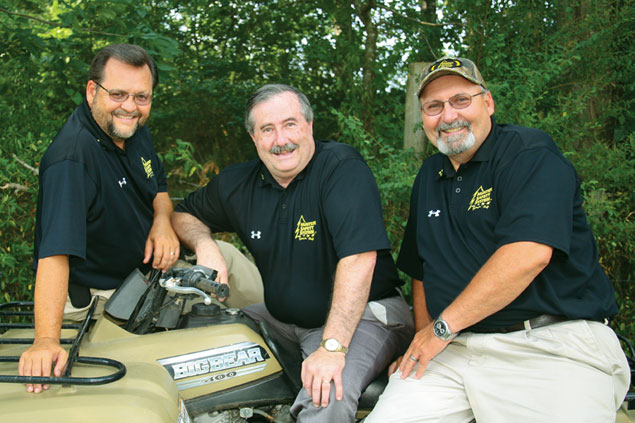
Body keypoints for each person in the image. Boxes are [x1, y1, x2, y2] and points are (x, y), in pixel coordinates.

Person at [365, 57, 631, 422]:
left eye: (461, 100)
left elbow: (526, 256)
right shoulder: (429, 176)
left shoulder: (529, 154)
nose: (448, 116)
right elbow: (422, 270)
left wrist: (440, 329)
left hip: (548, 343)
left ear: (487, 103)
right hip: (453, 350)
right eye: (434, 106)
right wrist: (425, 339)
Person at [171, 84, 414, 422]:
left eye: (290, 124)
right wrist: (205, 244)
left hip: (365, 315)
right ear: (254, 138)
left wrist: (332, 348)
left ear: (309, 127)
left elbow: (359, 258)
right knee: (194, 337)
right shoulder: (239, 184)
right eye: (267, 129)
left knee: (326, 392)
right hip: (282, 319)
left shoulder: (340, 169)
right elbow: (183, 214)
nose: (280, 139)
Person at [18, 44, 181, 393]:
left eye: (142, 97)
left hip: (146, 275)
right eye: (118, 94)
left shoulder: (132, 130)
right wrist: (46, 340)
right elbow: (54, 254)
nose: (130, 107)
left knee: (228, 272)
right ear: (93, 91)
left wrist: (162, 221)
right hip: (102, 296)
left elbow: (161, 189)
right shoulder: (73, 159)